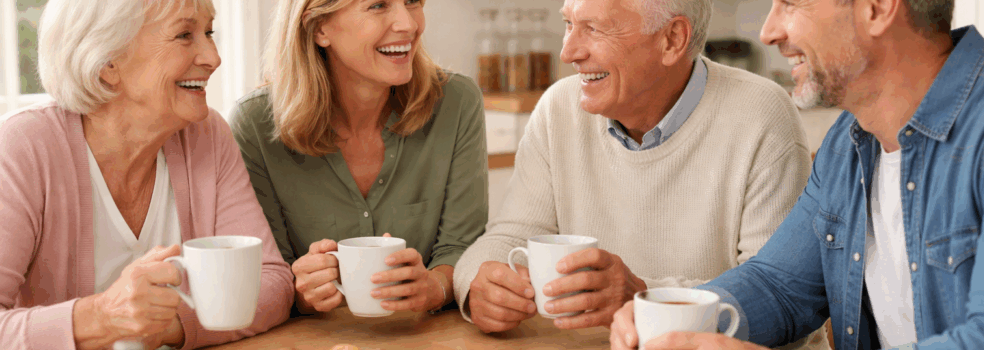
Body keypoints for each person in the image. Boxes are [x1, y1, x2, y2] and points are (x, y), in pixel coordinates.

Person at [609, 0, 984, 349]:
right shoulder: (847, 143)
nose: (768, 32)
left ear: (878, 7)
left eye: (791, 4)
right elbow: (779, 286)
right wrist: (677, 318)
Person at [452, 0, 827, 348]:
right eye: (568, 24)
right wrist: (477, 284)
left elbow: (781, 300)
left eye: (594, 29)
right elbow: (510, 234)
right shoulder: (559, 108)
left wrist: (642, 296)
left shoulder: (761, 115)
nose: (568, 52)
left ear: (672, 39)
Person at [0, 0, 294, 349]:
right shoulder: (23, 147)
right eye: (184, 35)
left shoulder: (206, 136)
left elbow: (271, 282)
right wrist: (103, 318)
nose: (213, 58)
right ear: (108, 62)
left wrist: (169, 327)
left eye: (209, 32)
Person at [230, 0, 488, 316]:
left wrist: (435, 286)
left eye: (412, 2)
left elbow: (461, 247)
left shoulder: (457, 102)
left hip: (426, 334)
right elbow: (269, 275)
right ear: (319, 28)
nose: (408, 24)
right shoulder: (255, 125)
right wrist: (300, 292)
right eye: (378, 5)